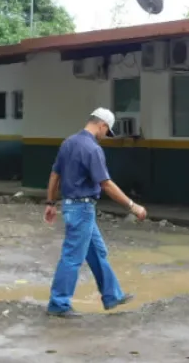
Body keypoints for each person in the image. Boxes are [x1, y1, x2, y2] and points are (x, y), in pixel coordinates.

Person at [44, 107, 148, 318]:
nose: (104, 136)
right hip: (82, 208)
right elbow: (106, 184)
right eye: (106, 131)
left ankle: (112, 295)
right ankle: (58, 303)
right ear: (102, 125)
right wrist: (132, 206)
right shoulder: (92, 149)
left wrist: (50, 202)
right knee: (72, 257)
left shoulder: (68, 143)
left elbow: (55, 175)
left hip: (74, 207)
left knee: (98, 252)